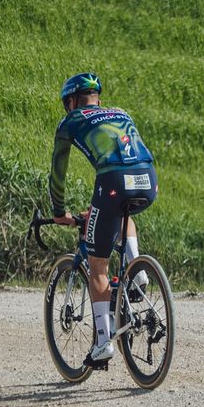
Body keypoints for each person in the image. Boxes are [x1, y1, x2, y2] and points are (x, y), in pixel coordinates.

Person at [48, 72, 158, 366]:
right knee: (124, 211)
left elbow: (58, 174)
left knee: (98, 265)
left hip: (112, 181)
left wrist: (59, 211)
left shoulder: (71, 121)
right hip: (148, 178)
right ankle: (138, 271)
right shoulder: (121, 112)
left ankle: (103, 343)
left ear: (71, 101)